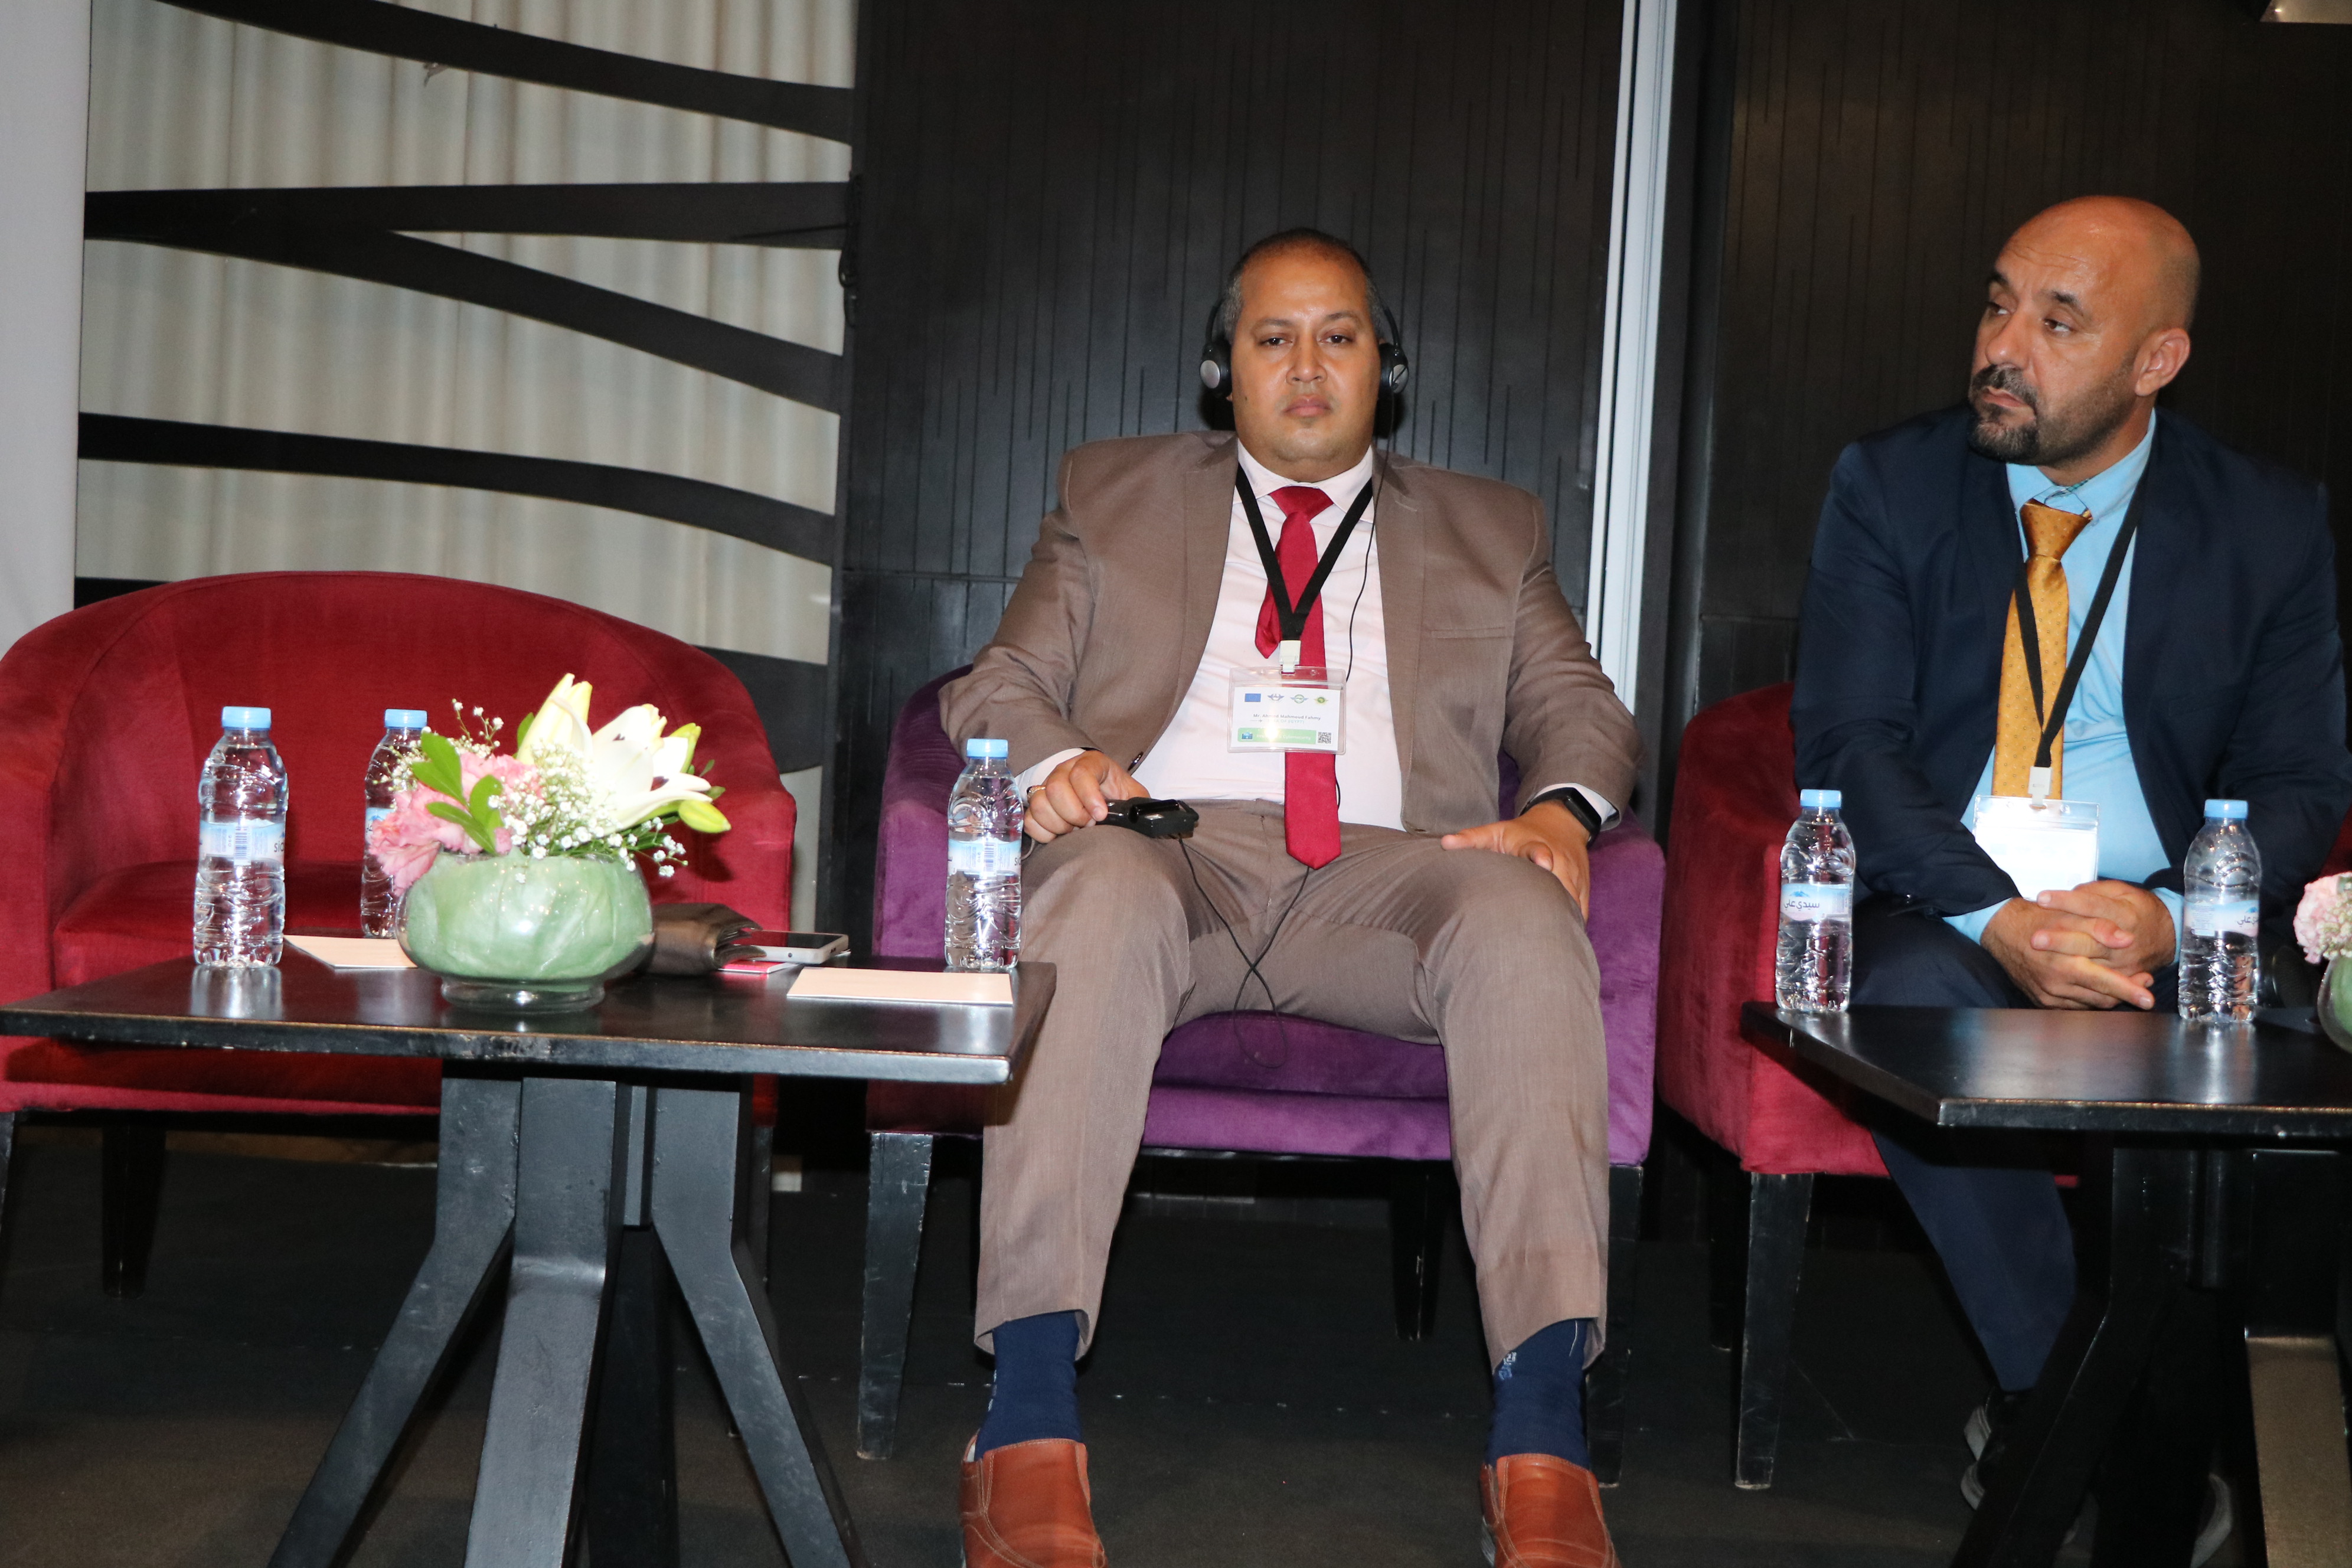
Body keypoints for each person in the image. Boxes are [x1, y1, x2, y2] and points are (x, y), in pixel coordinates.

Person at [940, 229, 1640, 1567]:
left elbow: (1580, 707)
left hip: (1391, 874)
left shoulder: (1495, 528)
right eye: (1273, 338)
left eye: (1339, 337)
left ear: (1388, 368)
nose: (1307, 366)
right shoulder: (1110, 491)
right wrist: (1058, 760)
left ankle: (1543, 1441)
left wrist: (1560, 811)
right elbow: (1001, 681)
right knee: (1092, 902)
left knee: (1523, 918)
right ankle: (1023, 1424)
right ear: (1224, 371)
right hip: (1168, 851)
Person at [1792, 195, 2352, 1519]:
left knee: (2311, 1039)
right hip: (1953, 909)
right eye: (1998, 304)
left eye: (2058, 323)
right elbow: (1854, 742)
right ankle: (2086, 1420)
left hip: (2166, 917)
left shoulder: (2266, 522)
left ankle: (2259, 1434)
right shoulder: (1893, 484)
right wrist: (2001, 917)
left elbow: (2302, 782)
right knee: (1910, 1004)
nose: (2003, 347)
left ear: (2158, 358)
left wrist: (2172, 915)